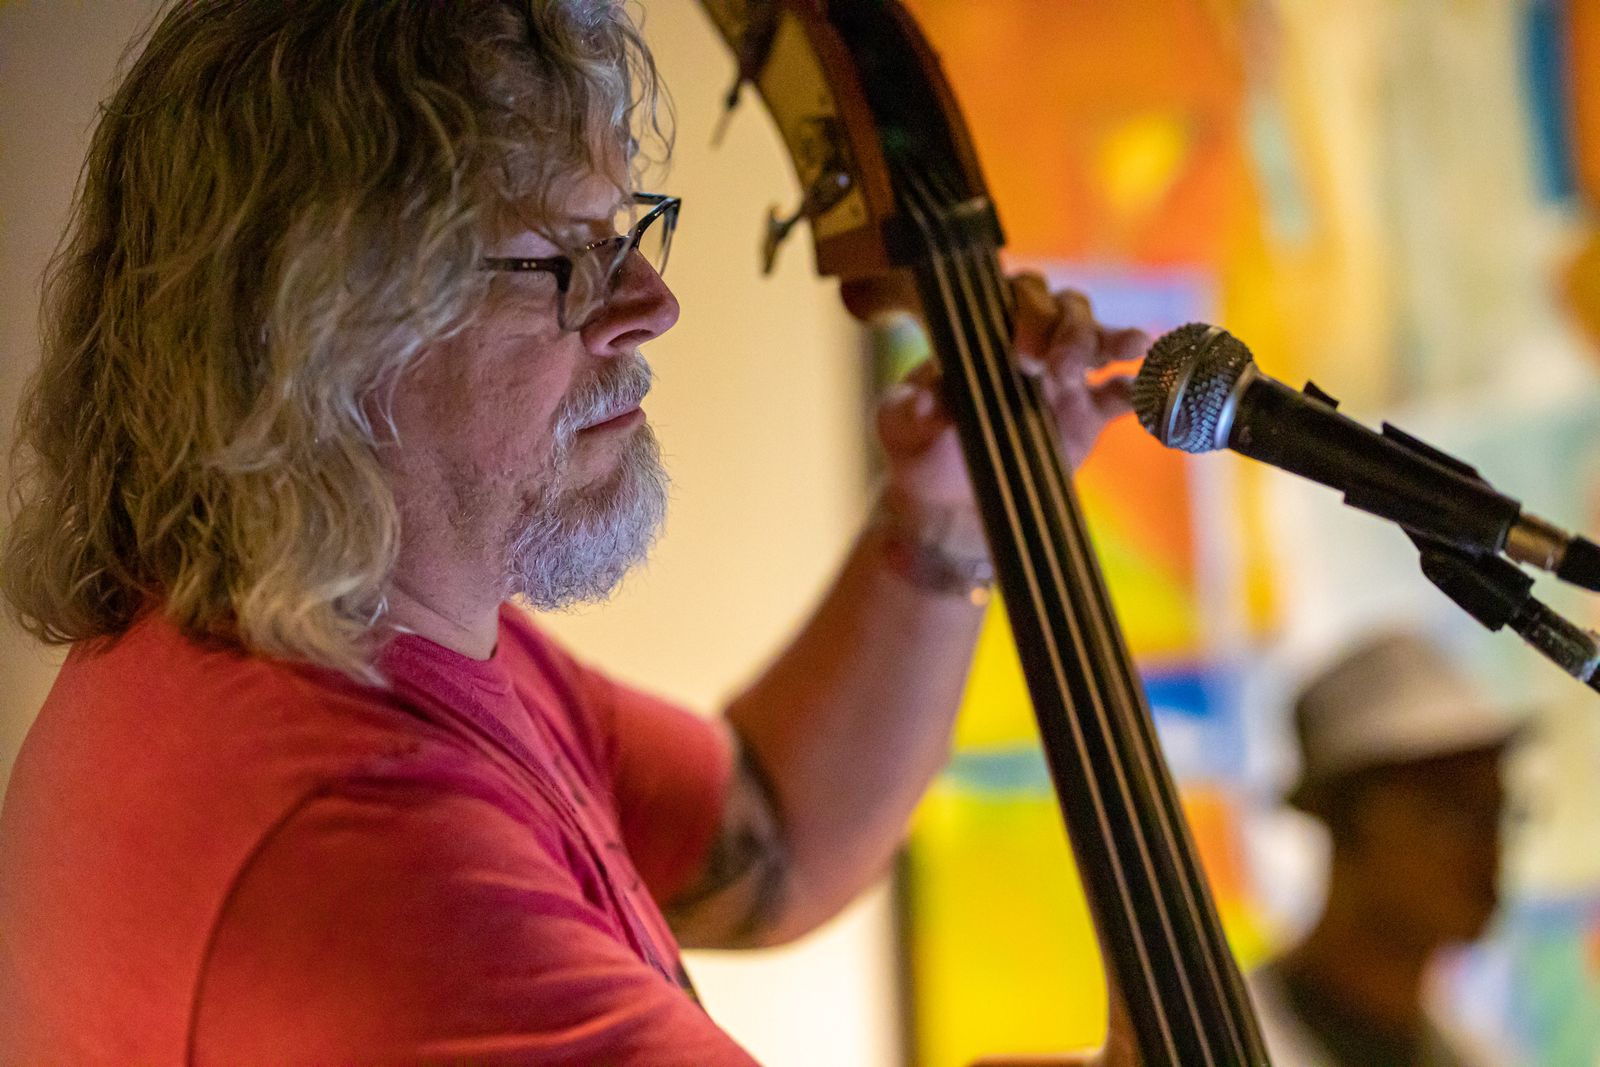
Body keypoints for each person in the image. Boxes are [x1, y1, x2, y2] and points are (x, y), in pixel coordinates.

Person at [0, 3, 1146, 1063]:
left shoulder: (361, 625)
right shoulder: (354, 845)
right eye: (566, 255)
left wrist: (943, 514)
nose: (650, 303)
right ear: (328, 320)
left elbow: (771, 838)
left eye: (624, 230)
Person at [1249, 632, 1523, 1067]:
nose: (1488, 848)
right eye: (1455, 813)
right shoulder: (1215, 1035)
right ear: (1346, 817)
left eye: (1496, 813)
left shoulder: (1480, 1057)